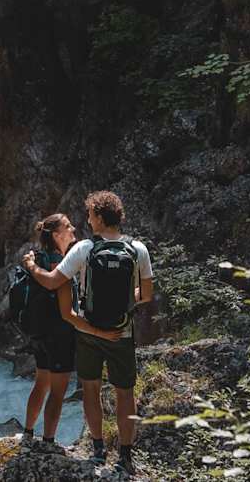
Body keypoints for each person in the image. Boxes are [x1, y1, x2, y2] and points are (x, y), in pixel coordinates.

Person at [22, 191, 154, 474]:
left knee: (91, 391)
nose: (88, 221)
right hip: (122, 333)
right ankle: (125, 456)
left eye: (91, 215)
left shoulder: (84, 248)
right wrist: (123, 301)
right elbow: (146, 295)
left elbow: (52, 281)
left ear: (100, 217)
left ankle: (98, 450)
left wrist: (31, 266)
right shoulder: (138, 249)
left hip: (89, 333)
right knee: (125, 394)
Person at [20, 213, 112, 447]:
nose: (73, 229)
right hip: (58, 334)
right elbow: (60, 299)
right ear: (56, 234)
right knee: (58, 391)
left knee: (41, 382)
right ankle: (48, 441)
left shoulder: (38, 257)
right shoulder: (57, 262)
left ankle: (28, 433)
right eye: (67, 226)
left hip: (39, 331)